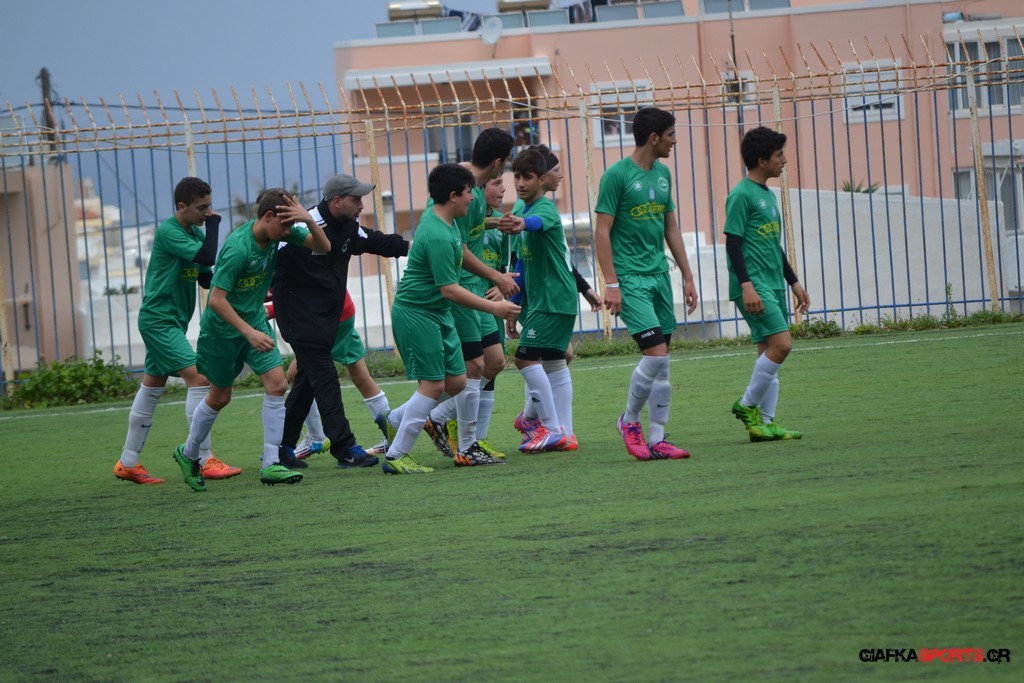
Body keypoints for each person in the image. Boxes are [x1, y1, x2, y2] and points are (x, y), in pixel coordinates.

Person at [172, 188, 331, 491]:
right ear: (268, 216)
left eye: (292, 225)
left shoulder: (280, 232)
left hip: (254, 322)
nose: (289, 231)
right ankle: (189, 452)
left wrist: (308, 220)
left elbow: (324, 247)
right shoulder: (238, 248)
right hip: (222, 331)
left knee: (278, 384)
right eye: (285, 225)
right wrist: (249, 332)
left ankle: (270, 464)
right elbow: (216, 300)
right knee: (220, 397)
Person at [375, 163, 520, 474]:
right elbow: (449, 290)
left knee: (457, 381)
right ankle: (396, 455)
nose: (473, 198)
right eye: (469, 193)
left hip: (438, 313)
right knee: (432, 385)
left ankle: (396, 419)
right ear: (453, 196)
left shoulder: (451, 223)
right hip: (418, 313)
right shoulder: (438, 234)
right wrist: (493, 308)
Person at [272, 174, 408, 470]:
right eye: (356, 199)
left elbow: (379, 242)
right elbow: (270, 258)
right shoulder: (302, 225)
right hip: (300, 320)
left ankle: (281, 448)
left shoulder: (349, 227)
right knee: (326, 380)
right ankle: (344, 447)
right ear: (336, 201)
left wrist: (416, 248)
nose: (361, 206)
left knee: (306, 384)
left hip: (327, 320)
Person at [113, 177, 241, 485]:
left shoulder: (194, 231)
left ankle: (128, 462)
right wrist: (215, 226)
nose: (207, 213)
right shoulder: (169, 231)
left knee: (152, 385)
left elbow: (206, 277)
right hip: (159, 321)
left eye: (210, 206)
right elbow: (206, 257)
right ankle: (202, 458)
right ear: (181, 206)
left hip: (172, 322)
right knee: (200, 379)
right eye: (201, 207)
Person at [594, 107, 699, 461]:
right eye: (671, 135)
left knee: (663, 362)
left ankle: (658, 439)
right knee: (654, 355)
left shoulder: (663, 174)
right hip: (630, 279)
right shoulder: (616, 176)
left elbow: (671, 228)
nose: (674, 141)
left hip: (659, 277)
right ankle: (628, 421)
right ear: (654, 138)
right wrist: (612, 283)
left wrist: (687, 276)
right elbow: (601, 232)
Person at [421, 128, 519, 466]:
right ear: (498, 162)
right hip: (461, 288)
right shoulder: (465, 192)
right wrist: (496, 276)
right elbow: (458, 248)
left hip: (476, 286)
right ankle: (466, 445)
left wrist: (496, 225)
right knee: (474, 366)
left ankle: (439, 420)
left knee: (495, 362)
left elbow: (470, 231)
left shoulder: (472, 189)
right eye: (507, 165)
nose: (504, 176)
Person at [726, 127, 810, 441]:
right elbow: (733, 243)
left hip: (772, 283)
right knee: (782, 345)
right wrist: (746, 285)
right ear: (762, 161)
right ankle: (746, 405)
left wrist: (794, 282)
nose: (784, 160)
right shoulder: (741, 194)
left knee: (768, 353)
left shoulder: (768, 195)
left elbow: (773, 244)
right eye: (779, 155)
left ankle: (764, 423)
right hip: (754, 284)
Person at [503, 149, 577, 452]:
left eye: (528, 177)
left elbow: (533, 223)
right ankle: (564, 433)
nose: (520, 183)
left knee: (524, 359)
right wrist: (514, 303)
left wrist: (521, 223)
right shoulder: (521, 206)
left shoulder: (544, 209)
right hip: (540, 301)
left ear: (542, 180)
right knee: (555, 361)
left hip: (553, 298)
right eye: (517, 176)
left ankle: (545, 426)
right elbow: (520, 260)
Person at [279, 290, 391, 459]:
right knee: (360, 374)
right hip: (339, 310)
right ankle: (393, 435)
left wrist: (269, 309)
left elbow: (292, 290)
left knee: (297, 373)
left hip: (327, 315)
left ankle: (317, 438)